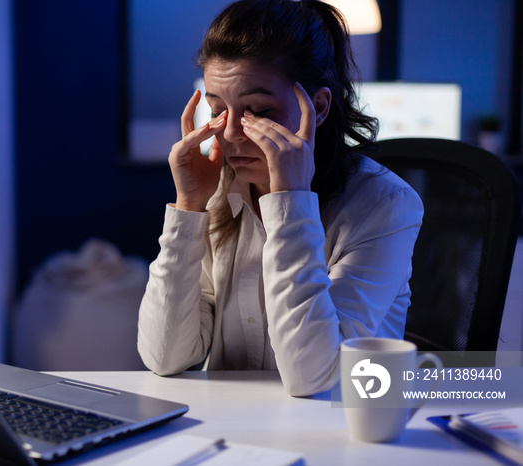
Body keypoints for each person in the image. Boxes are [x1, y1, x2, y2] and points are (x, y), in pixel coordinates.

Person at [137, 0, 423, 397]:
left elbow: (313, 377)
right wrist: (189, 207)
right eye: (218, 111)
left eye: (258, 111)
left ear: (318, 107)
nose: (232, 133)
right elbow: (164, 356)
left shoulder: (386, 205)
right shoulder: (220, 189)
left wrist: (289, 202)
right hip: (231, 431)